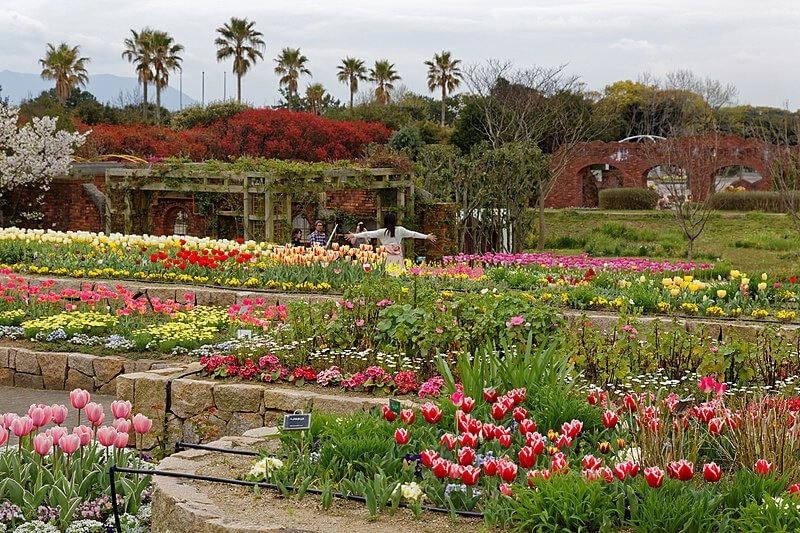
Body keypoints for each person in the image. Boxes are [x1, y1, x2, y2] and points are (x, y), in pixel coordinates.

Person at [346, 212, 436, 267]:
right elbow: (413, 234)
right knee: (398, 272)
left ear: (385, 221)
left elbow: (368, 234)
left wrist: (355, 235)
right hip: (397, 256)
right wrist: (426, 236)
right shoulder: (400, 230)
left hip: (386, 256)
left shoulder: (382, 232)